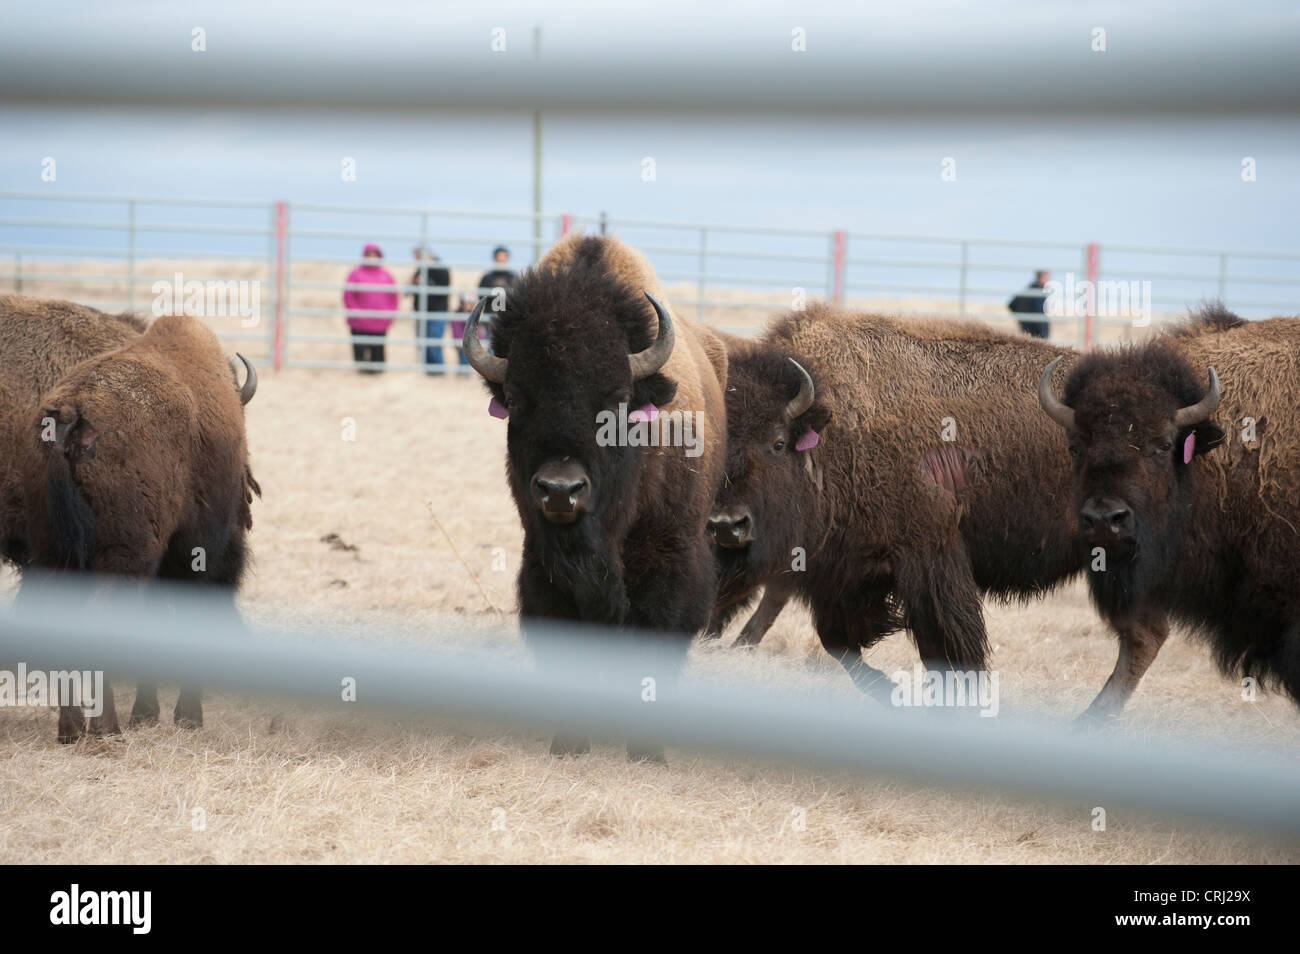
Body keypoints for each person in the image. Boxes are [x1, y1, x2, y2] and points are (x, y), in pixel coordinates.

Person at [450, 246, 515, 370]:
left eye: (503, 257)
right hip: (491, 318)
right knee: (491, 344)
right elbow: (481, 297)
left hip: (508, 319)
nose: (501, 260)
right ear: (495, 259)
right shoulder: (487, 277)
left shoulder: (512, 277)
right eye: (499, 257)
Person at [343, 243, 399, 372]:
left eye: (375, 255)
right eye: (370, 255)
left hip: (380, 321)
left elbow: (393, 297)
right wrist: (357, 313)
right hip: (359, 321)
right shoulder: (355, 274)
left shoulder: (386, 275)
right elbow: (348, 296)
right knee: (360, 350)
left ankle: (377, 370)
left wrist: (390, 315)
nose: (372, 258)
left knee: (377, 350)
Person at [410, 245, 452, 372]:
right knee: (422, 343)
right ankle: (428, 370)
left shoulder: (440, 269)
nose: (417, 260)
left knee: (434, 342)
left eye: (418, 257)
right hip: (421, 312)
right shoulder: (420, 270)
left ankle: (438, 371)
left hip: (436, 312)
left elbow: (443, 290)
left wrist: (425, 283)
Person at [1008, 269, 1051, 339]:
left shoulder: (1029, 289)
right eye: (1048, 278)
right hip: (1036, 334)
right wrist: (1044, 334)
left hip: (1027, 332)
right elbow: (1040, 313)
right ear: (1042, 277)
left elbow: (1012, 304)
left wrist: (1022, 319)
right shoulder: (1038, 292)